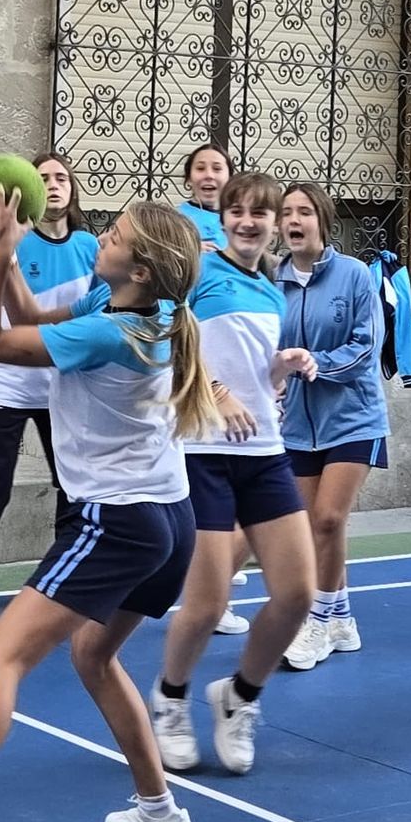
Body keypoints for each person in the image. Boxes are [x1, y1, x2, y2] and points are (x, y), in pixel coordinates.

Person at [0, 190, 220, 822]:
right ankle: (159, 811)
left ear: (142, 268)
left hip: (116, 521)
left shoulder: (109, 331)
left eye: (117, 234)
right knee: (93, 656)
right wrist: (3, 255)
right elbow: (35, 317)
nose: (102, 235)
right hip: (169, 519)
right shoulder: (140, 312)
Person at [145, 171, 318, 776]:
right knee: (207, 601)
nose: (247, 221)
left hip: (264, 452)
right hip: (201, 455)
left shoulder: (272, 292)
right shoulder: (198, 272)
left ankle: (239, 696)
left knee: (298, 594)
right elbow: (169, 344)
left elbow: (255, 374)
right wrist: (215, 391)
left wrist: (283, 365)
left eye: (259, 214)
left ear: (274, 225)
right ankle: (169, 697)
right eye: (236, 211)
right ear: (221, 218)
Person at [0, 153, 100, 620]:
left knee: (70, 487)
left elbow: (94, 318)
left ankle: (59, 583)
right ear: (30, 188)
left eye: (62, 178)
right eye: (44, 178)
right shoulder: (15, 242)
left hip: (64, 388)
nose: (54, 185)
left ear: (72, 190)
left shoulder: (90, 247)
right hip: (11, 385)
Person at [275, 183, 390, 670]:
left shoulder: (355, 275)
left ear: (323, 221)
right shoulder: (270, 280)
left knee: (327, 519)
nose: (294, 220)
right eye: (286, 213)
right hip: (297, 424)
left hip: (353, 417)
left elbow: (367, 346)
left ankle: (317, 623)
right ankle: (341, 618)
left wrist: (314, 364)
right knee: (312, 526)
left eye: (304, 212)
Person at [176, 142, 250, 637]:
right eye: (200, 168)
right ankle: (207, 594)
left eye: (217, 167)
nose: (209, 175)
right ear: (188, 180)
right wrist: (190, 255)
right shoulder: (179, 224)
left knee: (235, 492)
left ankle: (210, 573)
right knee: (206, 496)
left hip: (239, 377)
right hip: (199, 374)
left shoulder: (237, 229)